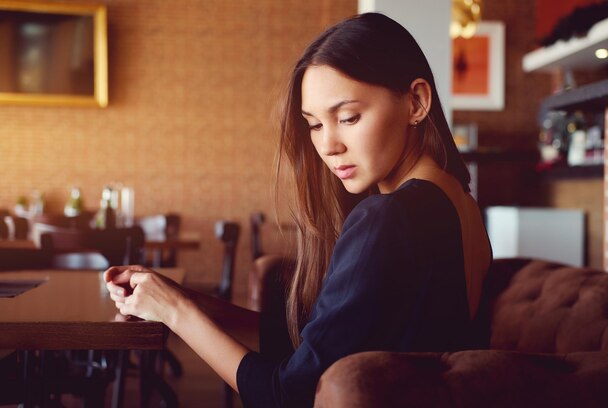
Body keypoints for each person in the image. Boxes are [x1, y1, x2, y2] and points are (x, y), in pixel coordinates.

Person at [104, 12, 492, 407]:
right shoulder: (460, 203)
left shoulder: (388, 218)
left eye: (348, 117)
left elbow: (285, 395)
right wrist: (186, 300)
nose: (328, 146)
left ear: (416, 102)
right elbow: (325, 342)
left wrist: (177, 313)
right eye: (315, 125)